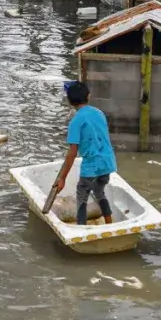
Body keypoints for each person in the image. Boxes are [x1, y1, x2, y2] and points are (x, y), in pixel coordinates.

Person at [49, 81, 117, 226]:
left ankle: (82, 228)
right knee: (99, 192)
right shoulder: (99, 113)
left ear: (69, 101)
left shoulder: (75, 122)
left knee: (82, 197)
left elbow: (72, 154)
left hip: (91, 166)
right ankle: (109, 223)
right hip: (107, 163)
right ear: (89, 96)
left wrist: (62, 178)